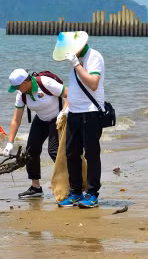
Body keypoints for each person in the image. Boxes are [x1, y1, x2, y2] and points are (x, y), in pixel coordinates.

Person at [55, 31, 105, 208]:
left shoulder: (94, 56)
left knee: (91, 154)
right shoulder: (74, 62)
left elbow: (93, 83)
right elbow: (74, 89)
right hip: (74, 113)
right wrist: (65, 110)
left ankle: (92, 194)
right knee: (71, 153)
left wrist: (77, 65)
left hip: (90, 112)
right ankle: (75, 192)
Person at [3, 68, 68, 198]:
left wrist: (64, 113)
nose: (17, 89)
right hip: (41, 119)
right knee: (31, 150)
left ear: (25, 83)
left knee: (54, 151)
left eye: (17, 87)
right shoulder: (21, 94)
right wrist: (10, 142)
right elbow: (16, 119)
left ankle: (72, 183)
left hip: (58, 117)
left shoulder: (45, 83)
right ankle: (36, 187)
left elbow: (69, 94)